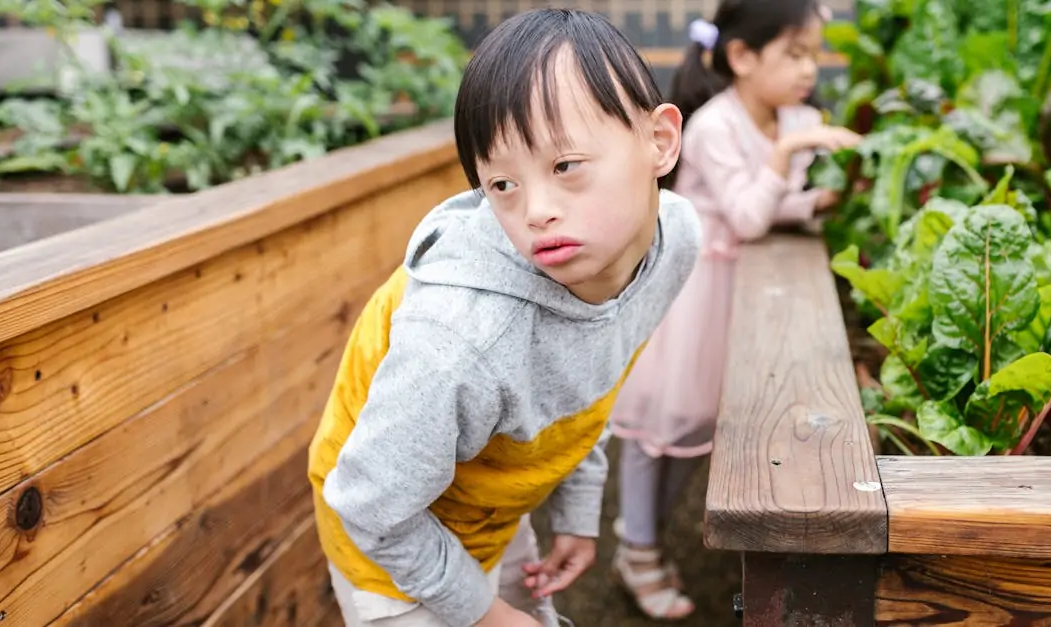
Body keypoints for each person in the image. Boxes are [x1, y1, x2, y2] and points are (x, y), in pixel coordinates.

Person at [306, 8, 702, 627]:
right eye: (501, 185)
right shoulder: (461, 340)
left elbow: (593, 369)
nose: (536, 211)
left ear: (660, 141)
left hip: (487, 495)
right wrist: (488, 614)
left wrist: (577, 512)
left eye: (565, 166)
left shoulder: (673, 242)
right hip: (387, 536)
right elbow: (370, 507)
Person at [607, 0, 861, 620]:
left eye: (814, 54)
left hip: (733, 297)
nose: (810, 69)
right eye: (794, 54)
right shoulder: (715, 126)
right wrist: (787, 153)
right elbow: (747, 217)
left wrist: (817, 201)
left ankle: (642, 539)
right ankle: (636, 548)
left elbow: (769, 207)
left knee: (696, 429)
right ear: (742, 56)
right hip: (691, 296)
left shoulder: (792, 117)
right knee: (660, 424)